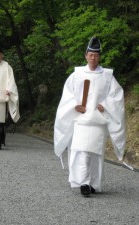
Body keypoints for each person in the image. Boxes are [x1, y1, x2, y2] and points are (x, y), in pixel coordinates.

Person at [54, 37, 126, 197]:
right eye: (90, 55)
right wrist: (75, 106)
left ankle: (93, 183)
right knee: (81, 151)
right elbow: (68, 95)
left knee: (95, 154)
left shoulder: (107, 76)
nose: (93, 58)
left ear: (99, 56)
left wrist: (106, 105)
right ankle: (83, 183)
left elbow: (117, 96)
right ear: (86, 55)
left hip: (98, 121)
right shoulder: (77, 75)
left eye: (96, 55)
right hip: (81, 121)